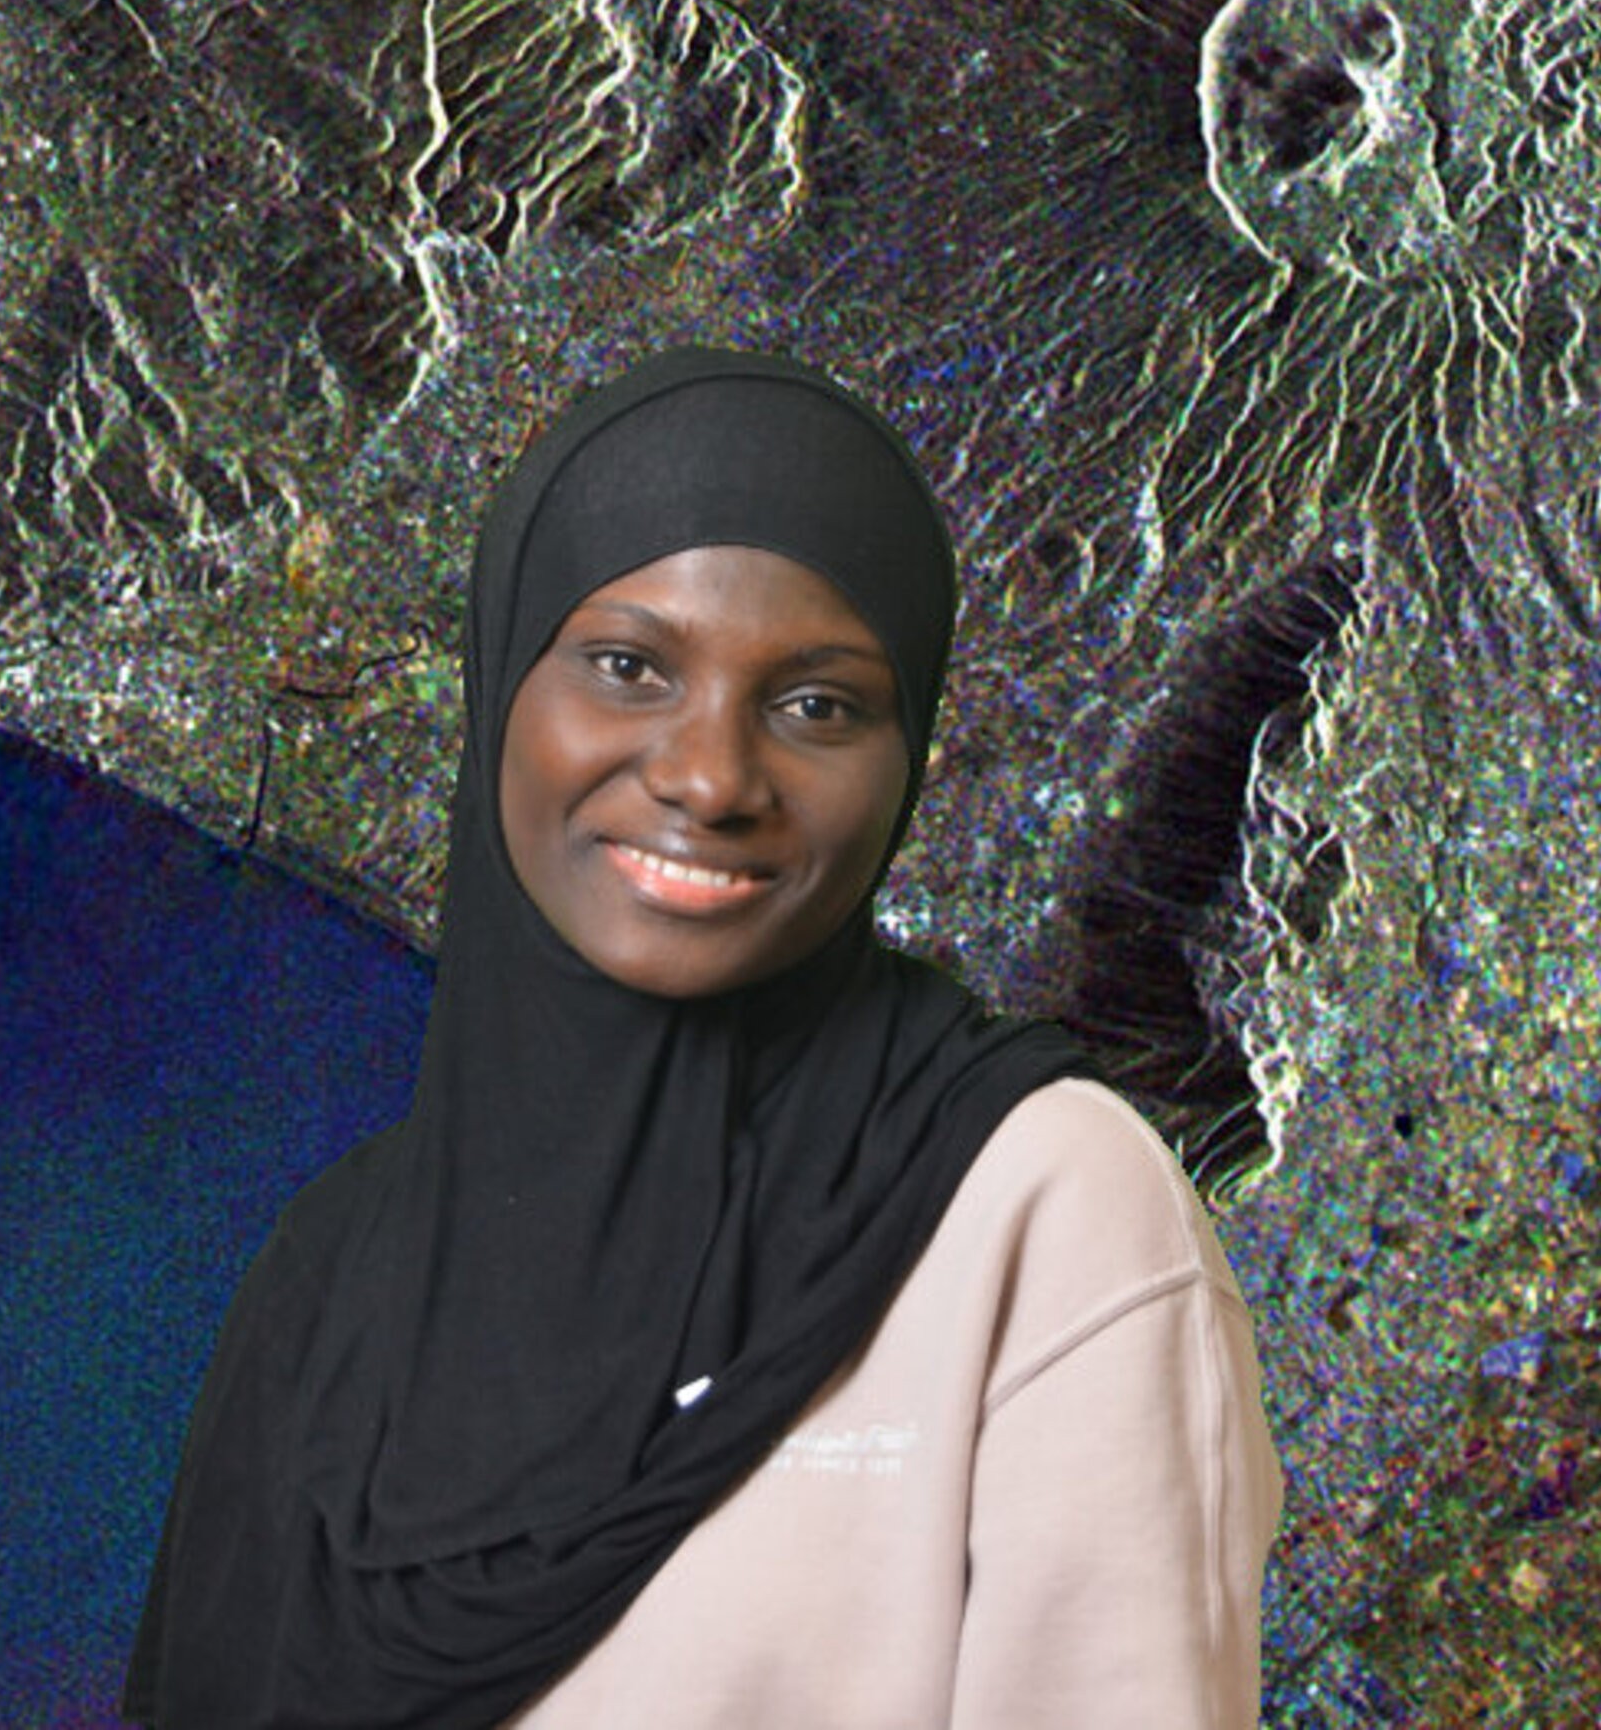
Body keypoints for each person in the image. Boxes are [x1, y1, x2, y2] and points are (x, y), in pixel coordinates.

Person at [123, 344, 1282, 1729]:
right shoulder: (334, 1274)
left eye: (817, 705)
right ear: (503, 689)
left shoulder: (1044, 1211)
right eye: (627, 667)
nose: (711, 776)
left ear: (906, 756)